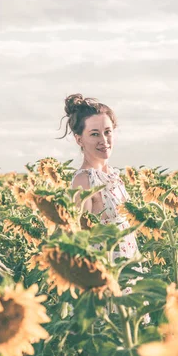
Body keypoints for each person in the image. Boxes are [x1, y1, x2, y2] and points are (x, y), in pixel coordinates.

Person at [58, 93, 140, 262]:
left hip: (129, 270)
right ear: (79, 139)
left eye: (107, 132)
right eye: (94, 134)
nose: (104, 140)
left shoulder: (114, 176)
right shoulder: (84, 180)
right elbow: (79, 240)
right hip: (105, 271)